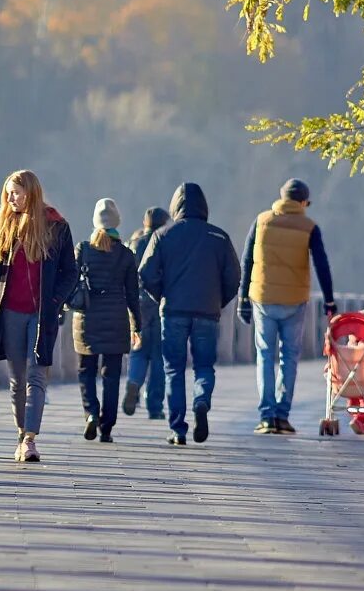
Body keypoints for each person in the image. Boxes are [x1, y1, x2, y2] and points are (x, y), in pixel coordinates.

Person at [0, 170, 77, 463]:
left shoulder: (56, 226)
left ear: (31, 193)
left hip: (40, 313)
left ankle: (30, 440)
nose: (11, 198)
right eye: (8, 193)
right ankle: (21, 432)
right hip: (10, 312)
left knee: (37, 376)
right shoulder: (6, 225)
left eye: (17, 193)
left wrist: (54, 300)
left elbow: (70, 272)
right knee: (17, 379)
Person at [139, 183, 240, 445]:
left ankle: (178, 429)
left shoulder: (163, 235)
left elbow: (145, 274)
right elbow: (234, 277)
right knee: (204, 366)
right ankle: (202, 400)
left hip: (173, 311)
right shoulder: (219, 237)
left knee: (173, 369)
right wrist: (218, 301)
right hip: (207, 312)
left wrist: (161, 295)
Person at [236, 178, 336, 435]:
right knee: (289, 357)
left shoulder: (261, 221)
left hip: (263, 298)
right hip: (294, 301)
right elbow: (321, 264)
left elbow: (247, 259)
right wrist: (329, 300)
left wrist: (243, 299)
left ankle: (266, 416)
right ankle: (282, 415)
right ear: (303, 201)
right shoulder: (309, 227)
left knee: (265, 356)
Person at [72, 199, 143, 443]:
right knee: (111, 376)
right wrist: (137, 326)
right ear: (117, 223)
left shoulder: (83, 249)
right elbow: (133, 294)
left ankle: (91, 412)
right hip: (115, 321)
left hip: (86, 320)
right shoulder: (125, 255)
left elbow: (70, 282)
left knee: (86, 372)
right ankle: (107, 427)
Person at [123, 207, 170, 419]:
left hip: (137, 306)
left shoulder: (134, 243)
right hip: (160, 305)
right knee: (159, 357)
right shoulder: (166, 242)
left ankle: (133, 383)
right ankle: (155, 406)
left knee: (138, 351)